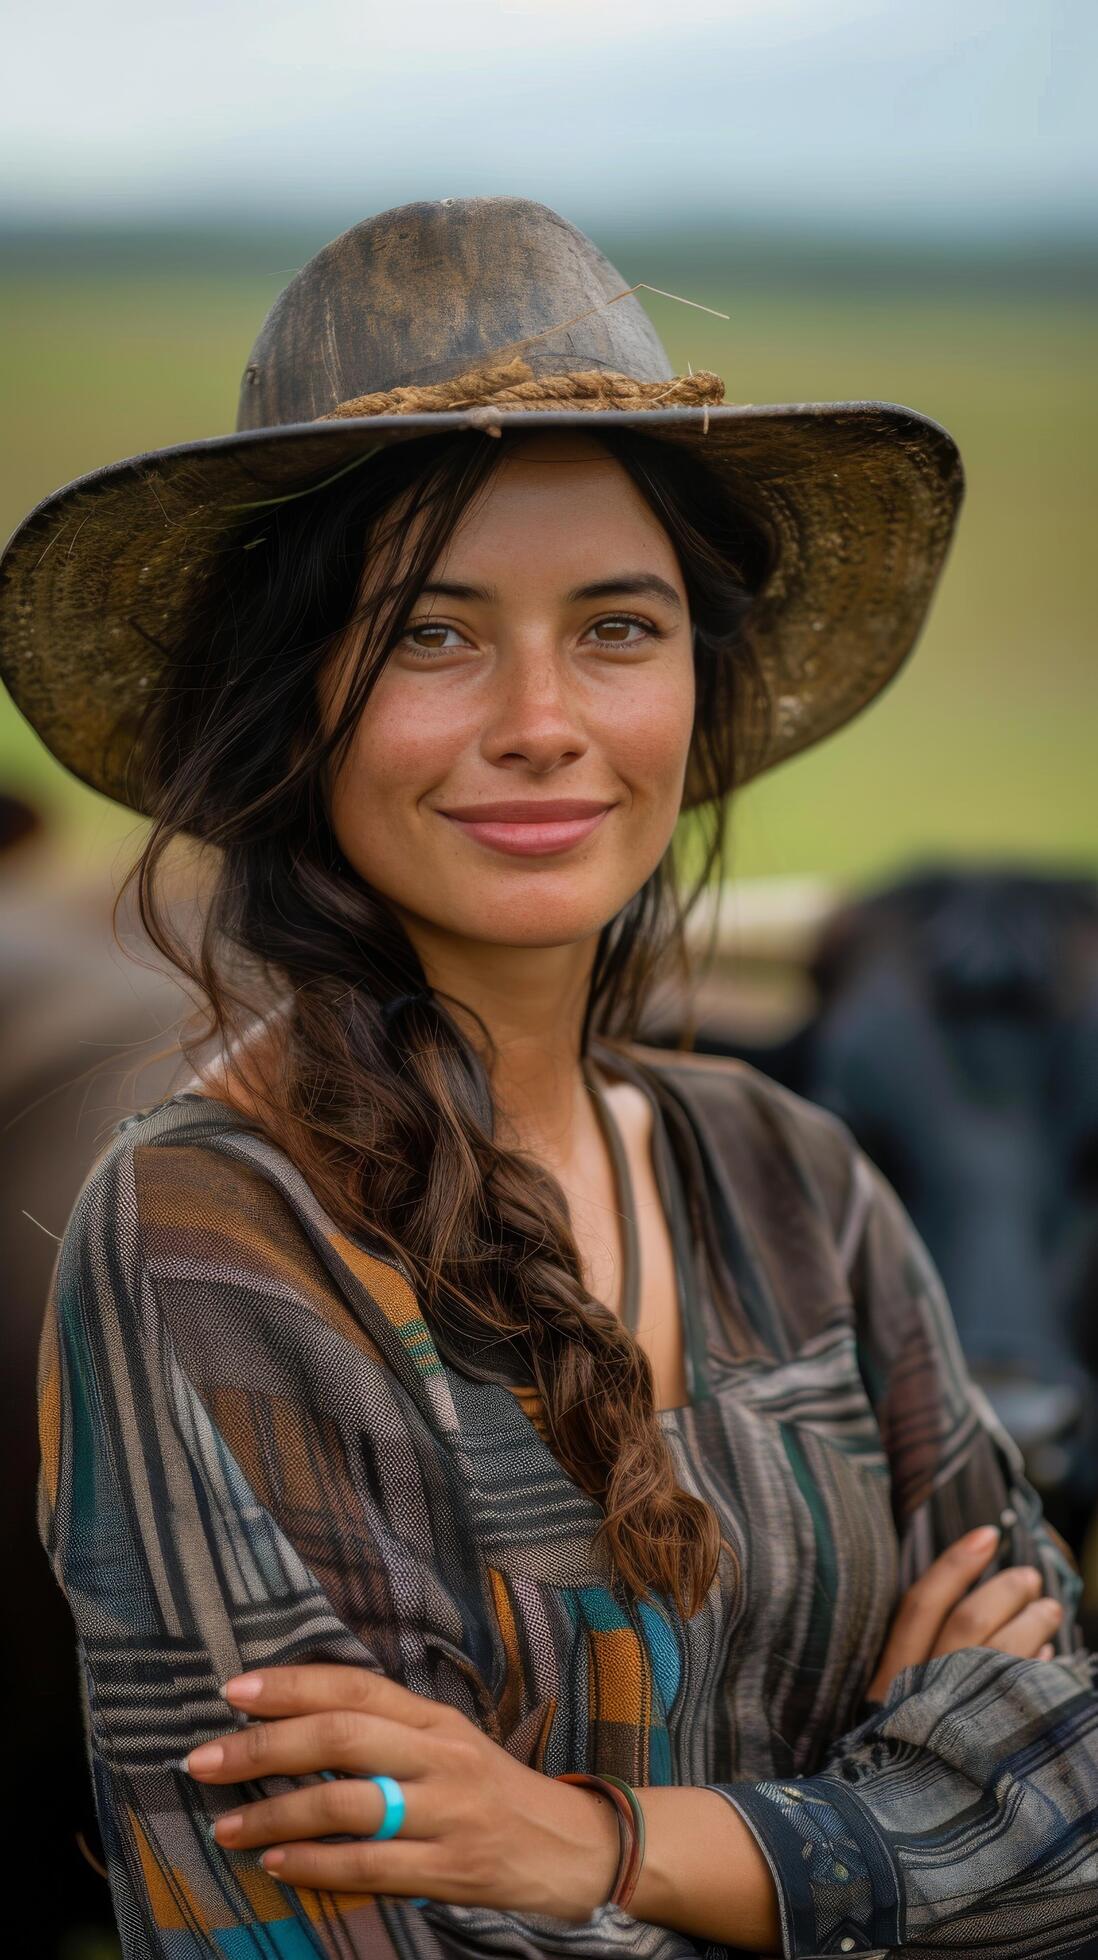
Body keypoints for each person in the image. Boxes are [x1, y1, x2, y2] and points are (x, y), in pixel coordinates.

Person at [4, 196, 1095, 1959]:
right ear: (294, 710)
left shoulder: (790, 1178)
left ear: (696, 691)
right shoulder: (211, 1237)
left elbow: (1085, 1814)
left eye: (617, 627)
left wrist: (598, 1846)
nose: (541, 718)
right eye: (431, 636)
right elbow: (360, 1937)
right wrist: (912, 1820)